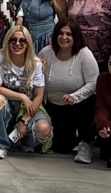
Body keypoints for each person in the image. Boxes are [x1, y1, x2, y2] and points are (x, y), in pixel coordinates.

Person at [0, 25, 52, 159]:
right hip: (7, 105)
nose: (17, 44)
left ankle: (26, 142)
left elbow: (38, 95)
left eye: (22, 40)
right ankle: (0, 144)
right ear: (7, 41)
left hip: (28, 107)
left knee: (44, 128)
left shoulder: (36, 63)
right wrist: (22, 96)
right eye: (13, 40)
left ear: (28, 44)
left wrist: (24, 120)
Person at [38, 20, 99, 163]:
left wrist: (75, 96)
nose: (64, 37)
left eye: (68, 34)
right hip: (53, 105)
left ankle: (85, 142)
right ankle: (71, 138)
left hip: (78, 106)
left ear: (75, 36)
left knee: (90, 101)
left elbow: (94, 83)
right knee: (61, 147)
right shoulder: (46, 52)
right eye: (60, 33)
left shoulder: (84, 54)